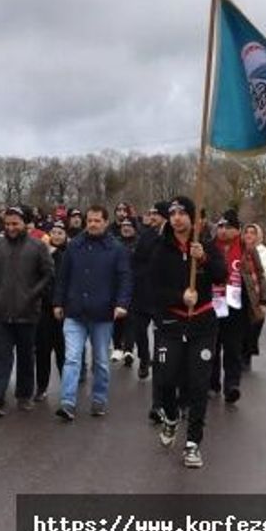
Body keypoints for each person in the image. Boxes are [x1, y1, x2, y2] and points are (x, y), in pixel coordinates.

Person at [148, 196, 226, 469]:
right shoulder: (161, 249)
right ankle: (171, 417)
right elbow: (154, 290)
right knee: (166, 379)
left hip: (203, 325)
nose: (177, 217)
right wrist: (180, 296)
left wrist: (203, 258)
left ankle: (193, 444)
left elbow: (221, 275)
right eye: (173, 213)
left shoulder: (206, 246)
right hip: (171, 324)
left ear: (193, 218)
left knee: (198, 385)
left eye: (183, 212)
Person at [53, 206, 132, 421]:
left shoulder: (116, 249)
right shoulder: (74, 246)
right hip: (75, 312)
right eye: (90, 220)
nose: (93, 224)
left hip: (103, 314)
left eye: (97, 220)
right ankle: (67, 402)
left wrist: (122, 303)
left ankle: (99, 399)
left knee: (101, 362)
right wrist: (58, 302)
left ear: (105, 222)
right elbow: (63, 277)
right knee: (71, 359)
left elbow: (125, 279)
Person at [0, 207, 54, 416]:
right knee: (1, 357)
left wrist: (32, 295)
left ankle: (24, 395)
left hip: (28, 313)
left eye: (15, 224)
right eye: (7, 224)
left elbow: (48, 274)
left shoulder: (38, 247)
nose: (10, 227)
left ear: (24, 224)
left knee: (26, 356)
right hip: (1, 312)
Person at [209, 210, 249, 405]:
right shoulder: (209, 247)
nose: (223, 231)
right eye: (221, 226)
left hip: (237, 304)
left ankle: (232, 385)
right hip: (213, 302)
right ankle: (212, 383)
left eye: (229, 227)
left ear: (238, 230)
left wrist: (263, 300)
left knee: (233, 347)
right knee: (212, 344)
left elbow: (256, 274)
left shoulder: (245, 248)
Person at [128, 202, 168, 383]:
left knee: (162, 334)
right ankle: (144, 358)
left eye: (156, 214)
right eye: (151, 213)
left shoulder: (170, 237)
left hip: (161, 296)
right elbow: (136, 259)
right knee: (139, 331)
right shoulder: (146, 235)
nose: (152, 217)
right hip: (141, 293)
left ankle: (160, 365)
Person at [33, 221, 68, 403]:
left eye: (60, 233)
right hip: (43, 310)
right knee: (42, 350)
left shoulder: (68, 256)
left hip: (62, 310)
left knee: (63, 351)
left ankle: (67, 388)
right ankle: (41, 386)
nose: (56, 236)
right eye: (53, 232)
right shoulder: (41, 254)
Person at [241, 223, 266, 370]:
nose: (249, 235)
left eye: (253, 233)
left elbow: (264, 273)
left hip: (256, 292)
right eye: (247, 232)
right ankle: (241, 355)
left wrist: (263, 299)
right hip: (241, 292)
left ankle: (248, 353)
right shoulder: (239, 249)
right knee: (241, 326)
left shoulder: (263, 251)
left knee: (255, 324)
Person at [110, 218, 140, 366]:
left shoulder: (139, 243)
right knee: (117, 318)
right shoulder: (114, 243)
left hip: (134, 285)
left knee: (131, 318)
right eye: (124, 225)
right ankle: (117, 347)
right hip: (116, 285)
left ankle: (128, 348)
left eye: (129, 225)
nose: (126, 228)